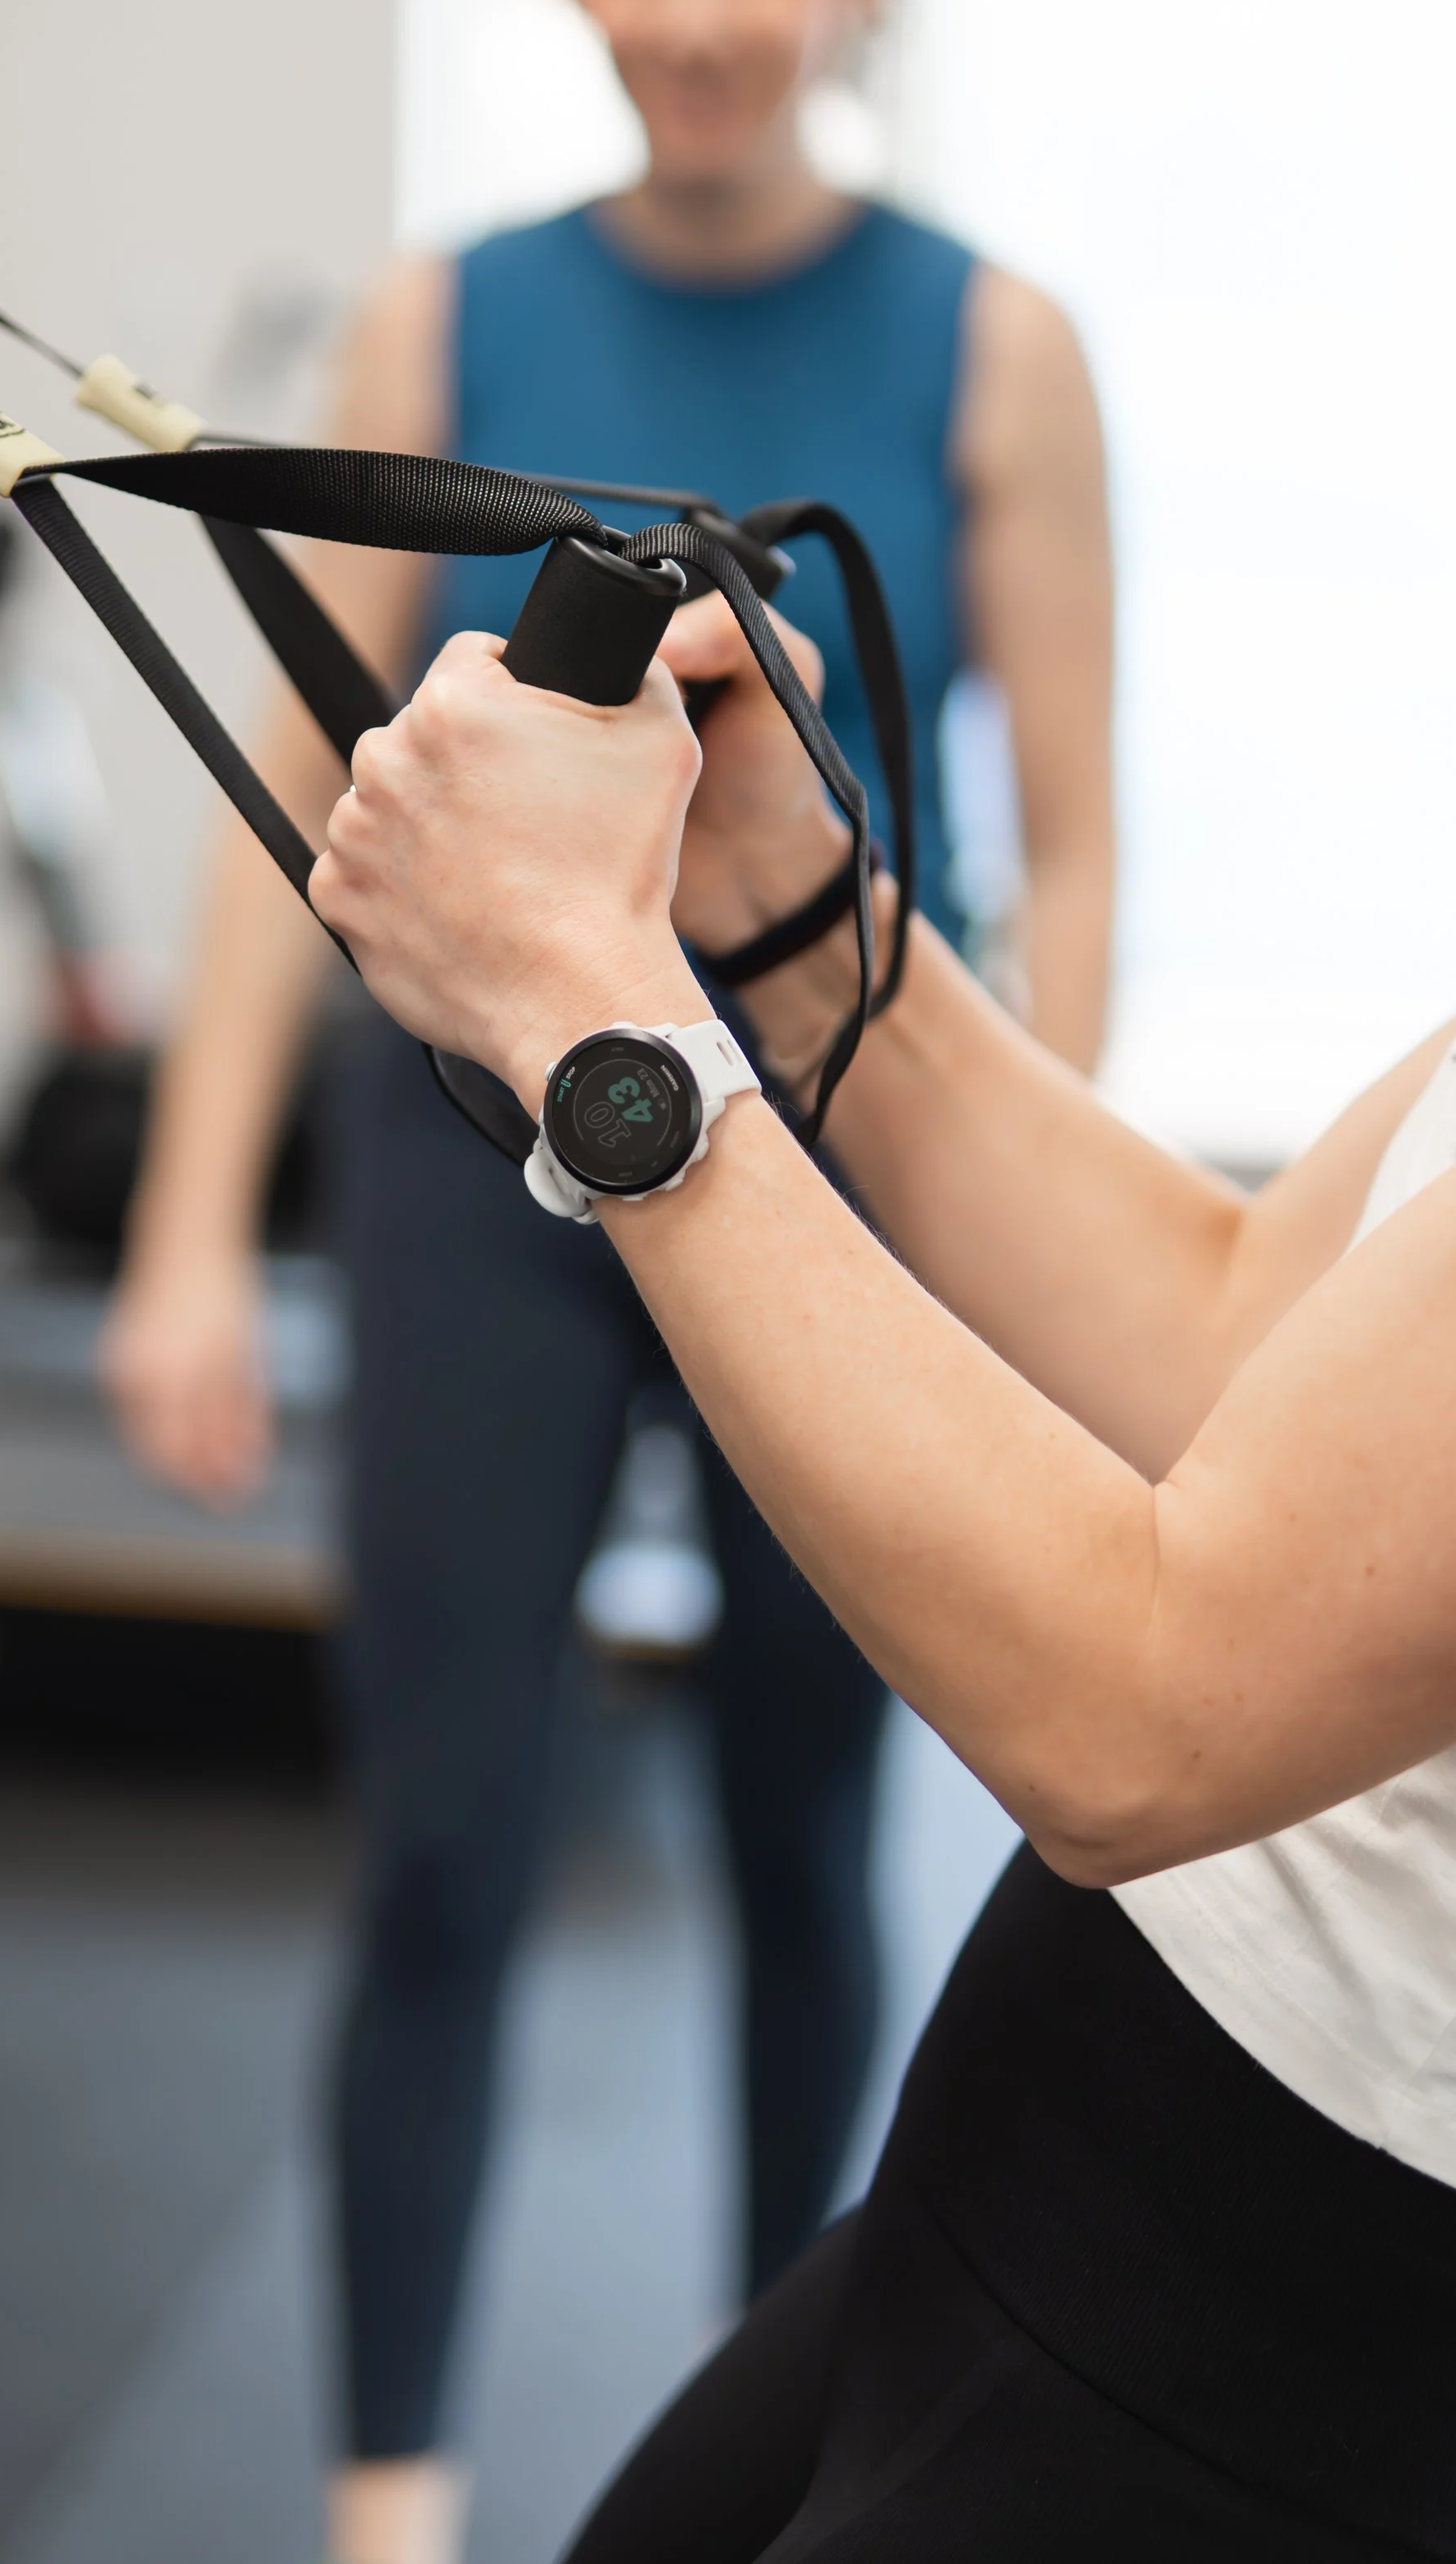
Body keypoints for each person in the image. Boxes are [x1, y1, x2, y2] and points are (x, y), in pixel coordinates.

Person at [104, 0, 1113, 2564]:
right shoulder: (438, 320)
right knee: (442, 1840)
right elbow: (290, 789)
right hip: (472, 1162)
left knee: (805, 1841)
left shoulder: (992, 344)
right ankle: (386, 2508)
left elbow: (1071, 843)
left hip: (842, 1159)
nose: (692, 3)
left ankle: (778, 2468)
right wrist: (188, 1228)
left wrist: (1033, 1246)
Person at [309, 584, 1456, 2560]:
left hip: (1306, 2346)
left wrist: (593, 1011)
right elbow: (1225, 1333)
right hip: (1042, 2144)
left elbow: (1143, 1713)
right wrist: (775, 900)